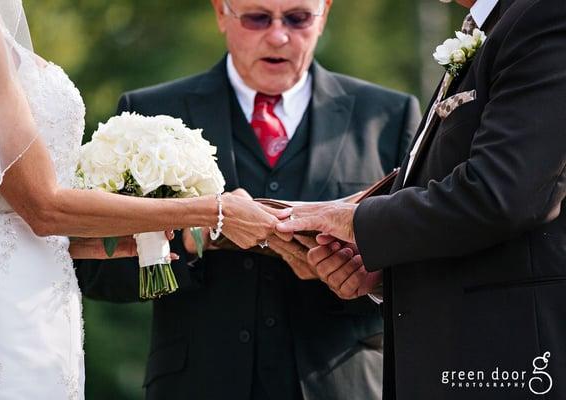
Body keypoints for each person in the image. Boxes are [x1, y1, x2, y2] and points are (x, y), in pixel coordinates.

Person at [75, 0, 420, 399]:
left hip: (343, 384)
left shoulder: (389, 117)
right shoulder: (149, 113)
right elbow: (94, 270)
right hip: (197, 385)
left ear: (324, 13)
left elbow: (423, 265)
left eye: (298, 18)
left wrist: (371, 279)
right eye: (257, 17)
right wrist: (189, 241)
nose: (278, 35)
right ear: (222, 12)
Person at [0, 1, 289, 398]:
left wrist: (93, 240)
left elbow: (5, 206)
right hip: (0, 304)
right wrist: (213, 209)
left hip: (45, 296)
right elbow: (43, 207)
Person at [277, 0, 566, 399]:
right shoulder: (498, 25)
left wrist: (357, 223)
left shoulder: (545, 13)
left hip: (514, 365)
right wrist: (382, 266)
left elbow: (502, 193)